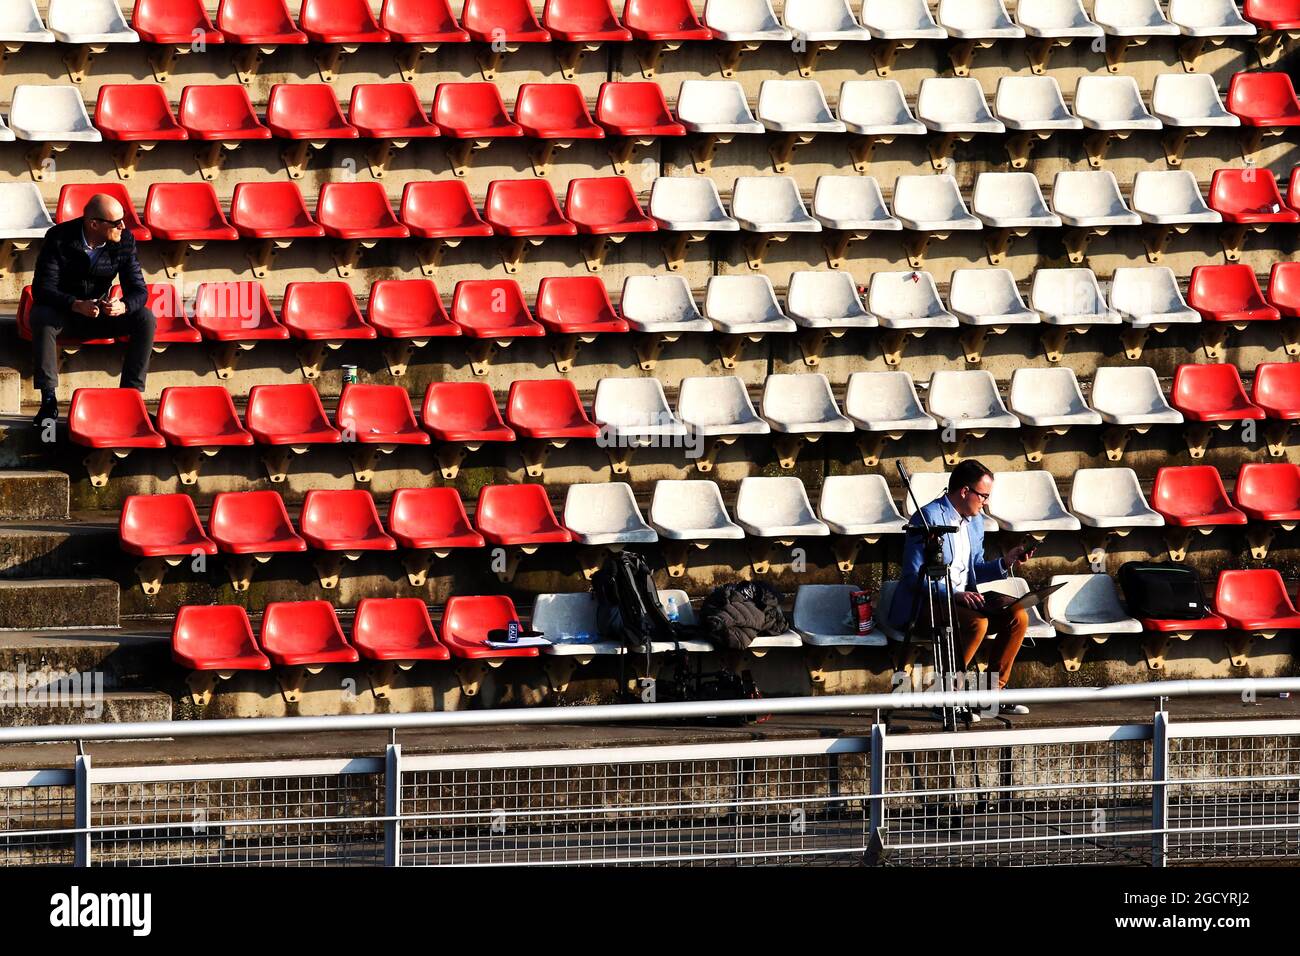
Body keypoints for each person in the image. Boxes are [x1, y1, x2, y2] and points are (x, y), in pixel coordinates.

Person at [889, 460, 1034, 717]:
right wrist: (954, 594)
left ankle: (991, 694)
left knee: (1018, 615)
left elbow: (974, 567)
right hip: (926, 604)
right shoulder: (928, 518)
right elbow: (913, 577)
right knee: (977, 623)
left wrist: (1004, 562)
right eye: (983, 496)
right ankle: (944, 696)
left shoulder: (975, 522)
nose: (986, 503)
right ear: (965, 491)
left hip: (962, 599)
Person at [29, 194, 157, 426]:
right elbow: (42, 289)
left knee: (145, 317)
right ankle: (48, 400)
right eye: (116, 222)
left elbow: (139, 290)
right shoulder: (59, 237)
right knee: (41, 315)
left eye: (123, 220)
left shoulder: (124, 240)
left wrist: (123, 305)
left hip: (99, 313)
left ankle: (131, 398)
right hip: (64, 312)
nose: (123, 226)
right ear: (94, 224)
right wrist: (75, 304)